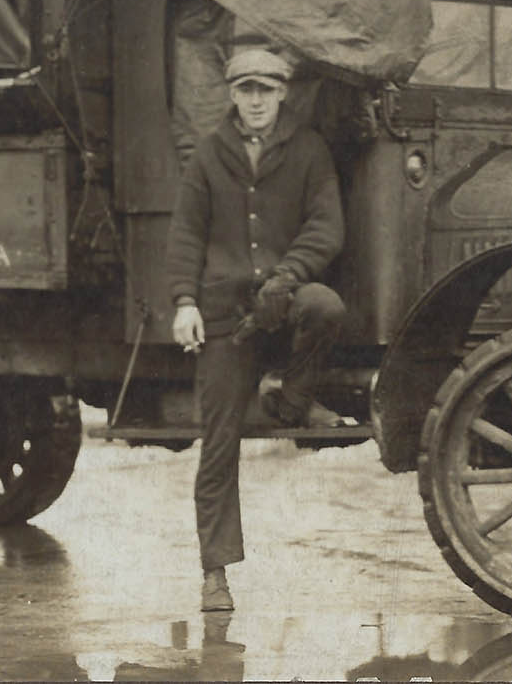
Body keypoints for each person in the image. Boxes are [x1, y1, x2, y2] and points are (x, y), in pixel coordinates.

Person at [166, 45, 347, 614]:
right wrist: (185, 302)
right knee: (218, 445)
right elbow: (187, 236)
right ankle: (215, 573)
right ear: (232, 95)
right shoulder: (207, 156)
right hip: (224, 318)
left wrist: (287, 276)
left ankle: (289, 401)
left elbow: (326, 225)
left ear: (282, 93)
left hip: (284, 302)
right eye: (246, 90)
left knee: (326, 307)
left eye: (265, 90)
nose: (256, 101)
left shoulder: (309, 149)